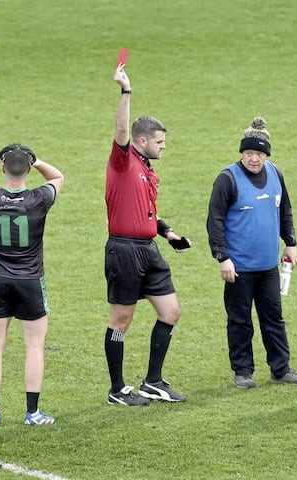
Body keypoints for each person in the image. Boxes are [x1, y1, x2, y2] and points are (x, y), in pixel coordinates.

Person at [103, 60, 191, 407]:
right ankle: (117, 389)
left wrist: (169, 233)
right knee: (121, 319)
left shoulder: (145, 169)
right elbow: (120, 131)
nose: (163, 146)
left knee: (170, 311)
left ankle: (153, 380)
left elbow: (147, 214)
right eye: (159, 142)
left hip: (148, 248)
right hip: (124, 251)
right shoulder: (123, 160)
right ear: (141, 141)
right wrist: (126, 91)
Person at [206, 116, 297, 389]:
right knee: (240, 320)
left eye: (259, 153)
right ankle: (242, 372)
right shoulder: (227, 179)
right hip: (238, 267)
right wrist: (222, 257)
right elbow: (214, 220)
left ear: (266, 155)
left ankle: (281, 369)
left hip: (268, 267)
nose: (254, 159)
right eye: (249, 153)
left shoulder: (275, 173)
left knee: (273, 317)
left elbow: (284, 209)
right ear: (242, 153)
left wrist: (291, 241)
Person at [0, 144, 65, 426]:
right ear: (27, 170)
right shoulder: (38, 199)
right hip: (30, 281)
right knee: (34, 346)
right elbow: (57, 177)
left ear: (2, 169)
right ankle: (32, 413)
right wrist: (36, 161)